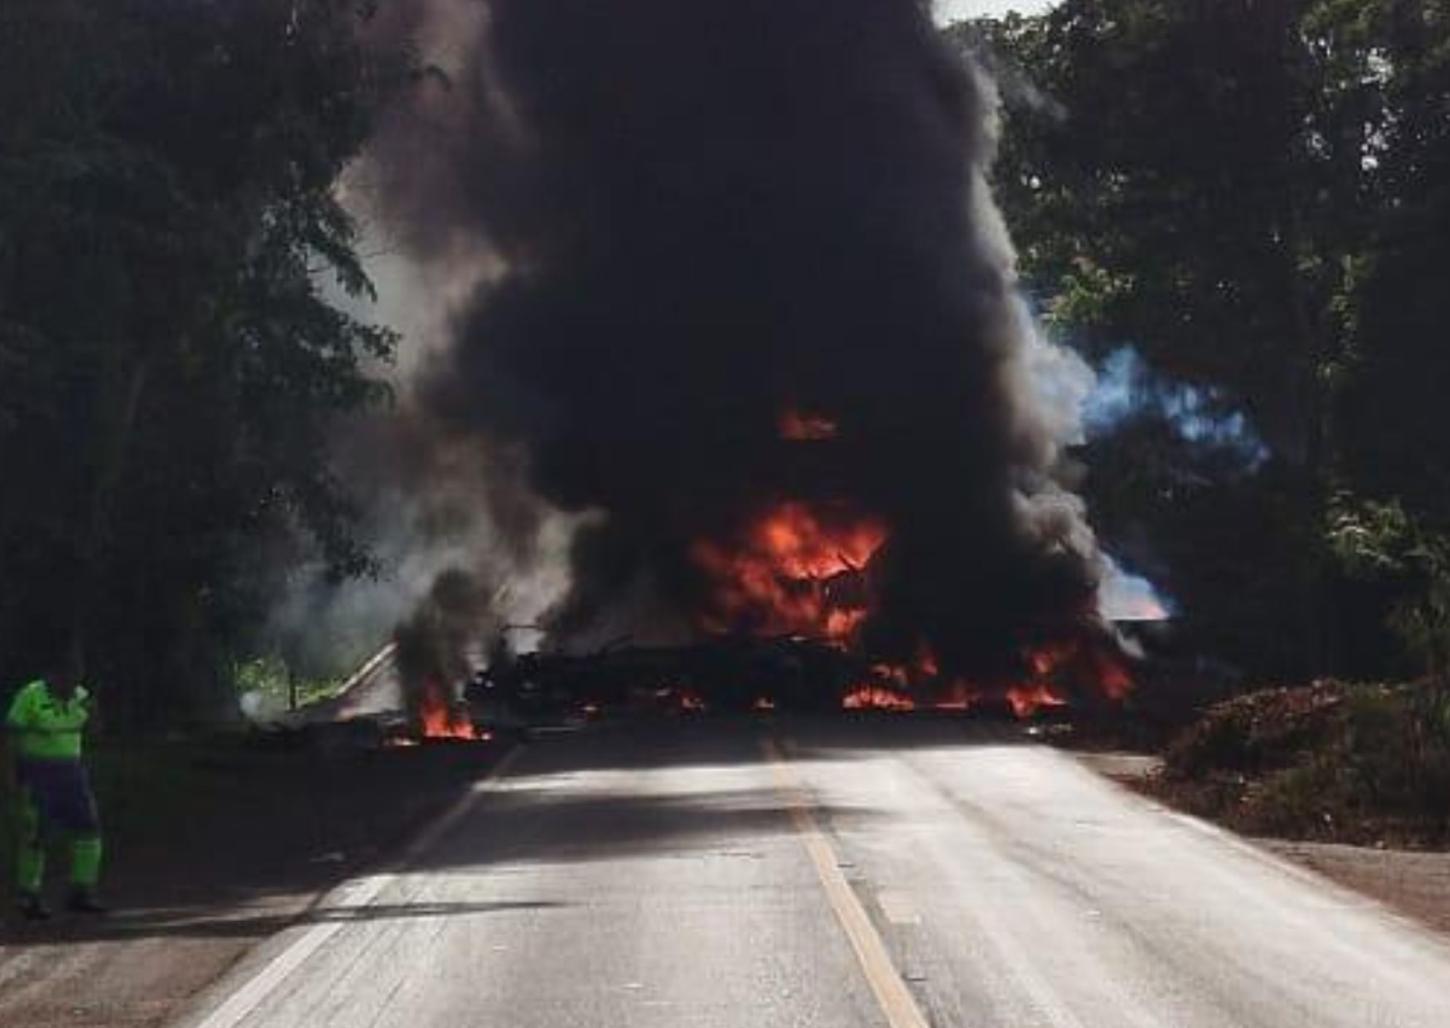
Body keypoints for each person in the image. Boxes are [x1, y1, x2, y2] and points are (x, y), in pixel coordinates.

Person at [5, 648, 106, 919]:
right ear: (52, 674)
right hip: (37, 771)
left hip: (71, 771)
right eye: (68, 677)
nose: (73, 683)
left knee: (89, 830)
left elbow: (96, 733)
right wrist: (10, 777)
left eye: (77, 676)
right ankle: (29, 895)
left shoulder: (81, 696)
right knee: (35, 835)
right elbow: (11, 737)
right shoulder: (30, 696)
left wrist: (94, 712)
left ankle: (81, 890)